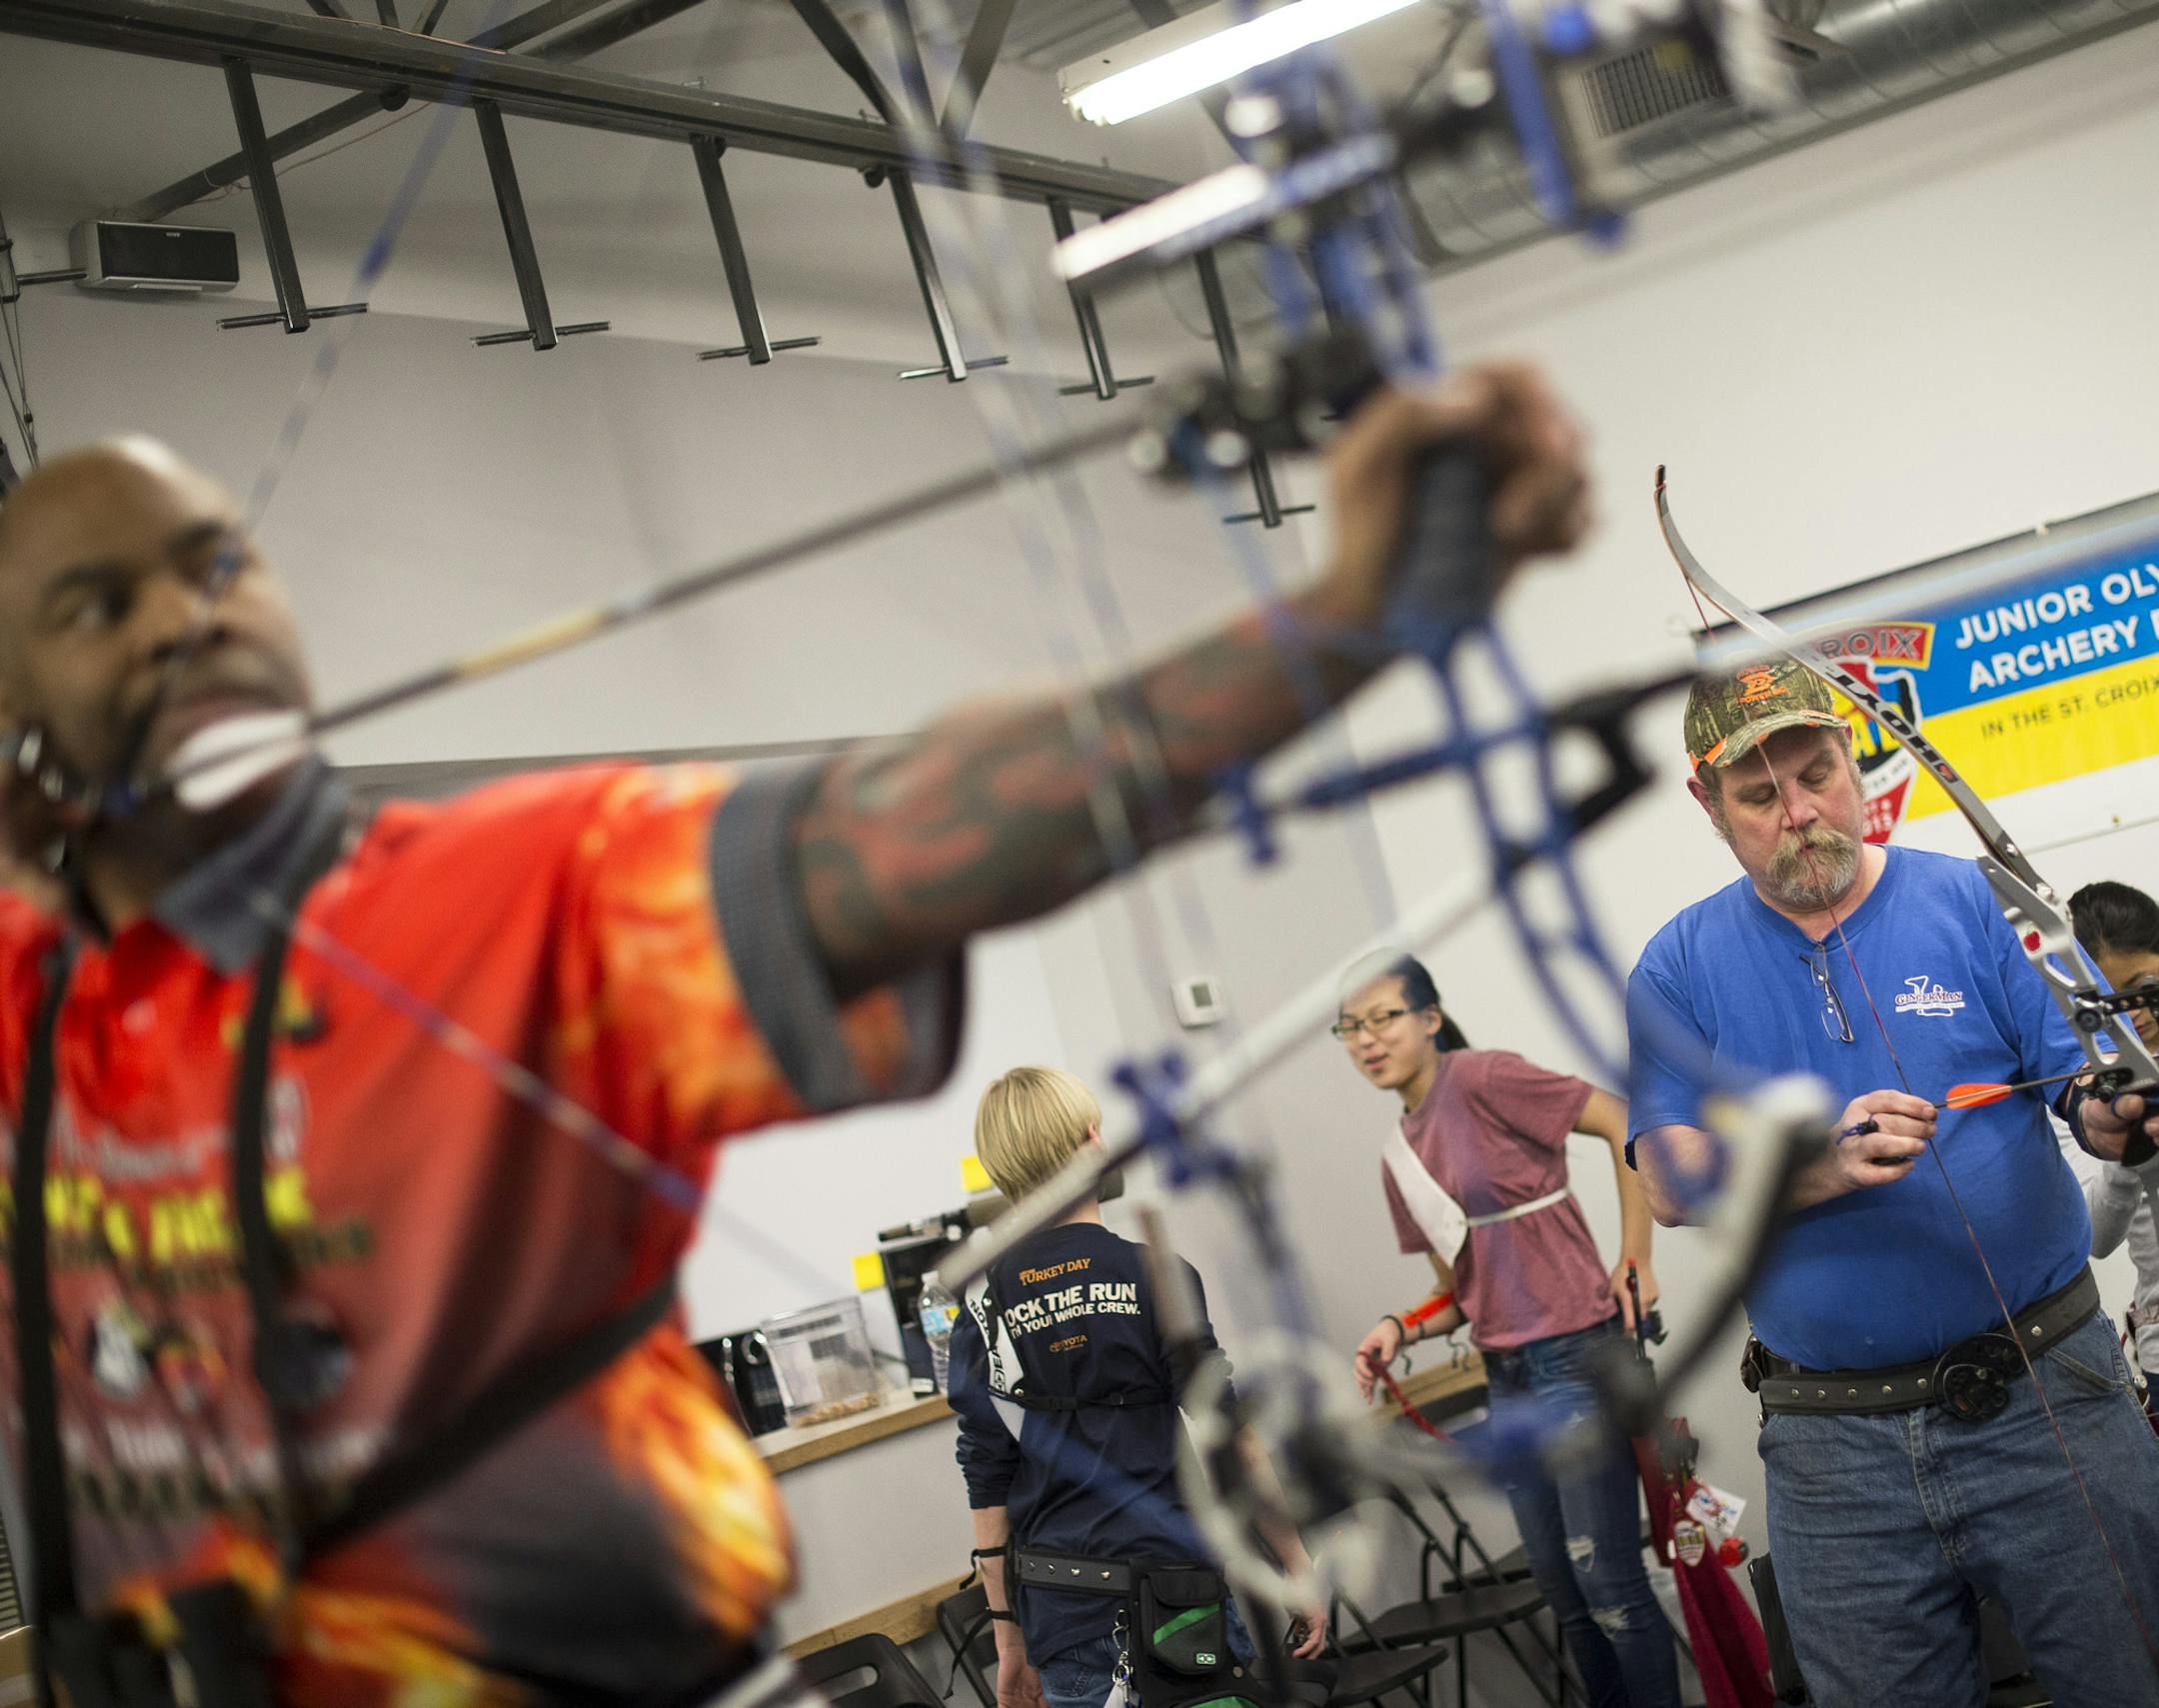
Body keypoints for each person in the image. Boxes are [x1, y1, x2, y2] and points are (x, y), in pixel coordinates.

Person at [0, 372, 1590, 1707]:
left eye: (217, 564)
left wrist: (1340, 615)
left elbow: (906, 830)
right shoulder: (26, 1005)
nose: (179, 620)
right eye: (97, 601)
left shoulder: (510, 896)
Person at [1626, 659, 2159, 1708]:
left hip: (2049, 1391)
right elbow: (1671, 1181)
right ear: (1707, 802)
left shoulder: (1972, 902)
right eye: (1758, 792)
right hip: (1832, 1447)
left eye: (1817, 771)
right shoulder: (1676, 965)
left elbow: (2088, 1098)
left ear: (1853, 759)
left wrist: (2121, 1114)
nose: (1799, 811)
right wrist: (1812, 1166)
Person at [1340, 951, 1679, 1708]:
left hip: (1576, 1353)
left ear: (1430, 1018)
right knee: (1567, 1599)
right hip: (1509, 1378)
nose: (1368, 1039)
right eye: (1351, 1027)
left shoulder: (1484, 1077)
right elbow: (1458, 1291)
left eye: (1384, 1017)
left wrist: (1636, 1256)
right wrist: (1401, 1325)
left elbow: (1624, 1120)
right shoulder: (1400, 1154)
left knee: (1612, 1588)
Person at [948, 1067, 1325, 1708]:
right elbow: (1229, 1441)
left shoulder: (980, 1313)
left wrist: (1010, 1645)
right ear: (1094, 1141)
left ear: (999, 1169)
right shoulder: (1156, 1274)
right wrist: (1296, 1566)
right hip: (1175, 1596)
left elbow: (988, 1483)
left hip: (1061, 1617)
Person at [2069, 880, 2159, 1412]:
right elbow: (2097, 1239)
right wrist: (2127, 1151)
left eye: (2144, 988)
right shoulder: (2081, 1092)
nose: (2134, 1016)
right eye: (2108, 1004)